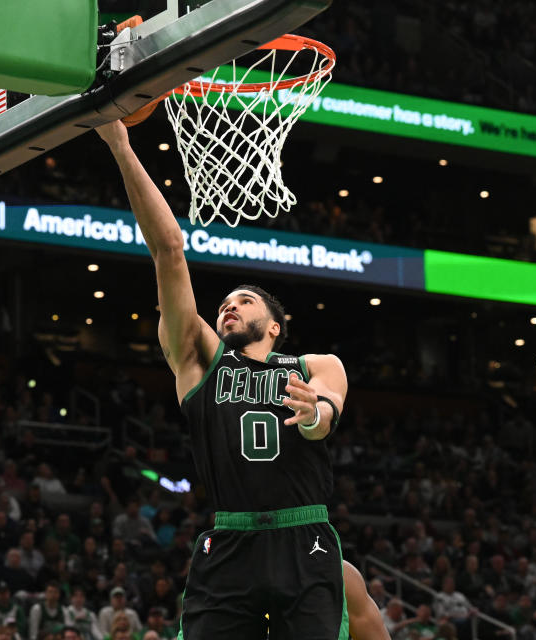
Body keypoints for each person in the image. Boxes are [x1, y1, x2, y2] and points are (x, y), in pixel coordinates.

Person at [96, 120, 348, 640]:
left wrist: (312, 415)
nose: (229, 306)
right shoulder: (201, 364)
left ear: (274, 326)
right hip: (229, 539)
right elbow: (168, 250)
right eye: (224, 303)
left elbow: (326, 414)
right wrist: (119, 144)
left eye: (244, 301)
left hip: (304, 534)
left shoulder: (315, 364)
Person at [342, 561, 390, 640]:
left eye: (380, 588)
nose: (378, 590)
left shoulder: (345, 573)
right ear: (371, 589)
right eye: (376, 588)